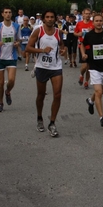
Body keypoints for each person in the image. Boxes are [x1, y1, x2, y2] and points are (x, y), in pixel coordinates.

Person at [26, 9, 65, 137]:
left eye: (52, 17)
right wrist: (42, 50)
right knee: (41, 95)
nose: (49, 19)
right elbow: (28, 48)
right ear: (43, 19)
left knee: (57, 94)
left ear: (55, 19)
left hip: (55, 67)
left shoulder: (58, 32)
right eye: (47, 17)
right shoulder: (39, 31)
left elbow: (62, 46)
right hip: (42, 66)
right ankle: (39, 118)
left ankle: (52, 123)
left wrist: (63, 51)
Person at [0, 7, 21, 112]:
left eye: (9, 12)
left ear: (11, 14)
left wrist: (17, 43)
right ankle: (0, 102)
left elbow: (18, 39)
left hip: (12, 57)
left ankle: (8, 92)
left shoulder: (16, 26)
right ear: (2, 14)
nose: (8, 14)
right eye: (6, 12)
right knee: (1, 83)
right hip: (0, 57)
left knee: (11, 80)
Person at [74, 8, 94, 89]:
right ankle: (81, 75)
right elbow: (75, 33)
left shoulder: (93, 24)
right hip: (82, 45)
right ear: (83, 14)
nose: (87, 15)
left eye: (89, 14)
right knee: (84, 66)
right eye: (86, 13)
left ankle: (86, 82)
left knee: (89, 67)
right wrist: (79, 34)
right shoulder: (79, 24)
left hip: (91, 46)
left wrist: (91, 32)